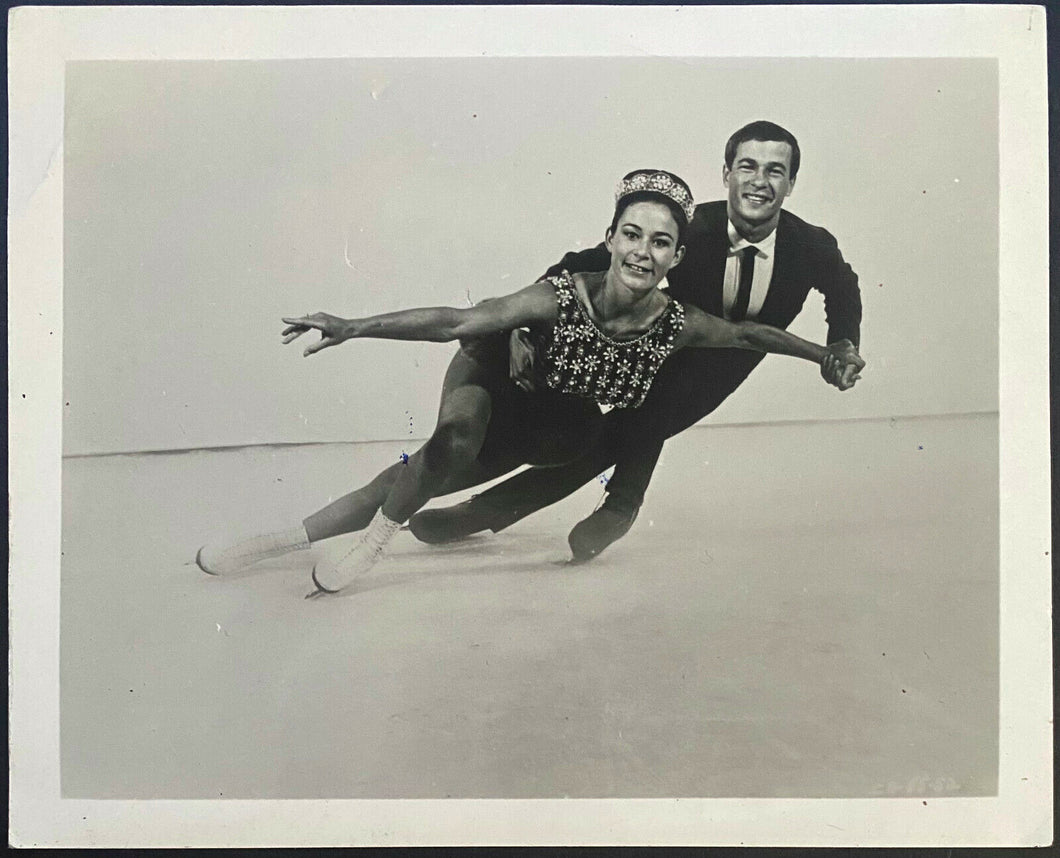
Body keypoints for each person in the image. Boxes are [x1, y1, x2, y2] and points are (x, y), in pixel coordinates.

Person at [195, 168, 864, 596]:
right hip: (491, 375)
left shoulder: (678, 322)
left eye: (660, 243)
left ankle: (420, 520)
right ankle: (313, 545)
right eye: (631, 234)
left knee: (564, 440)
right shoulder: (561, 295)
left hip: (546, 414)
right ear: (610, 237)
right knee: (449, 444)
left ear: (676, 257)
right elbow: (462, 319)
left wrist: (826, 353)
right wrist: (356, 324)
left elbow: (751, 335)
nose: (642, 252)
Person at [408, 121, 863, 562]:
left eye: (774, 170)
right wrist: (518, 327)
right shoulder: (689, 228)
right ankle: (582, 508)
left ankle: (535, 510)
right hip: (665, 347)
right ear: (727, 174)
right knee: (591, 433)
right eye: (747, 166)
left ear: (792, 183)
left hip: (731, 361)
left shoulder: (811, 246)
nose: (759, 182)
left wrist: (842, 342)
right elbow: (583, 261)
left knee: (618, 438)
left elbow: (843, 288)